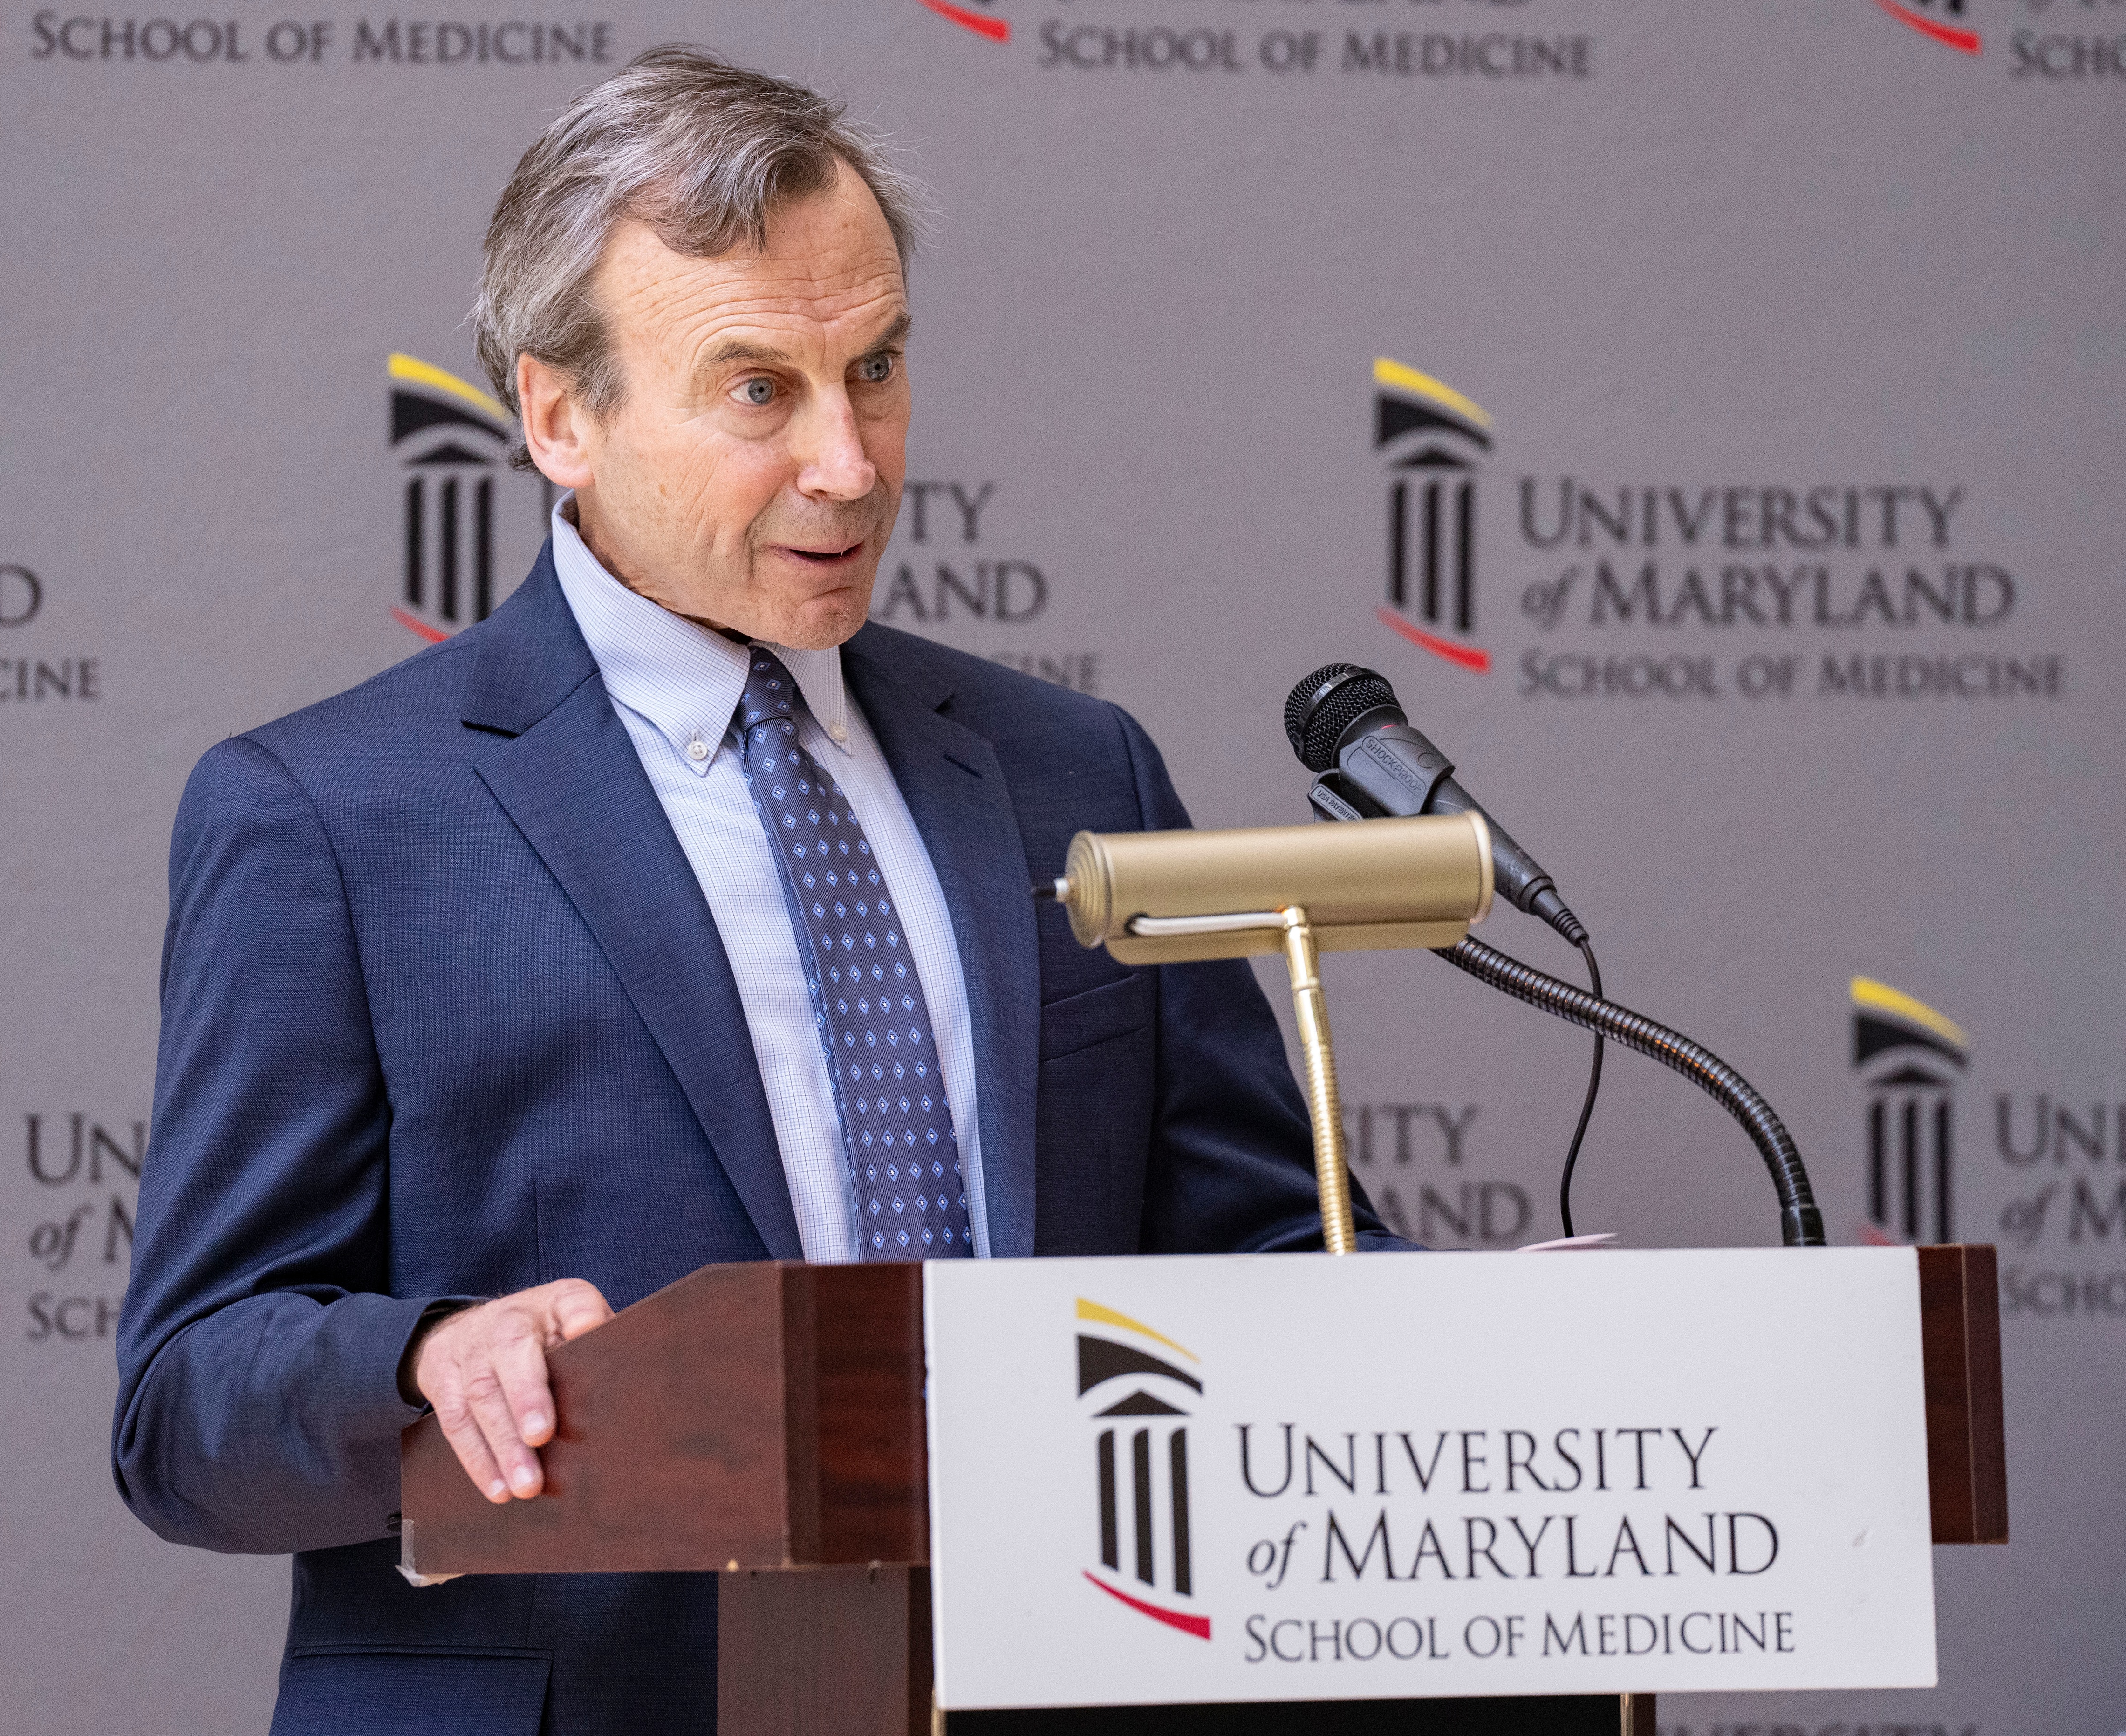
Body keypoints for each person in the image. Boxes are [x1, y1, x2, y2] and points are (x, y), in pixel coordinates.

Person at [113, 45, 1412, 1736]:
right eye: (758, 393)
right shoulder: (330, 817)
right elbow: (184, 1407)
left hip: (1072, 1685)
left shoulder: (1072, 770)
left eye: (875, 370)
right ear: (557, 414)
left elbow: (1265, 1243)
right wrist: (430, 1361)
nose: (852, 463)